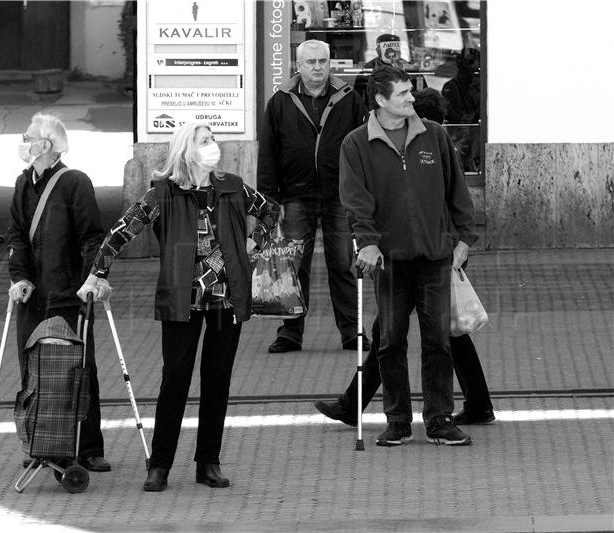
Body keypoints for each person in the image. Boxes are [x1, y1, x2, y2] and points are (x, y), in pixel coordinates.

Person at [79, 122, 279, 491]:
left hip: (225, 300)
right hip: (181, 301)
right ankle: (160, 465)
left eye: (213, 140)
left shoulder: (232, 186)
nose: (213, 146)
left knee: (217, 381)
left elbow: (271, 212)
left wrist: (254, 243)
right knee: (175, 380)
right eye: (205, 141)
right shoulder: (163, 194)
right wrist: (98, 273)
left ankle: (209, 462)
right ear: (187, 149)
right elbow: (122, 230)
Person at [314, 86, 495, 428]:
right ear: (381, 100)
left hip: (436, 247)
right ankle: (472, 403)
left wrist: (462, 239)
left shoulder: (433, 137)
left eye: (411, 94)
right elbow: (358, 199)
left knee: (434, 333)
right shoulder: (359, 143)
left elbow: (455, 191)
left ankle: (360, 405)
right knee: (407, 334)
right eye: (402, 93)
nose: (410, 100)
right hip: (399, 253)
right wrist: (368, 240)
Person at [6, 112, 111, 472]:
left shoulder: (75, 183)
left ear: (47, 145)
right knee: (33, 372)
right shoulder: (23, 183)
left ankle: (89, 446)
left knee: (80, 371)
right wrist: (19, 276)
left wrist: (91, 281)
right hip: (33, 297)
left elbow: (93, 238)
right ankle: (39, 443)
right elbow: (17, 235)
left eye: (29, 135)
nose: (24, 140)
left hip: (70, 295)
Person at [257, 39, 367, 354]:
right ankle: (290, 333)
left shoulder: (349, 99)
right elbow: (269, 152)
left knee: (343, 265)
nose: (317, 67)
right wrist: (268, 201)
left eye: (322, 61)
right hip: (295, 195)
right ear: (299, 65)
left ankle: (352, 332)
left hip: (339, 196)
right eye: (311, 62)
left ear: (330, 63)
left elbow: (363, 149)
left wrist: (363, 192)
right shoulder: (281, 101)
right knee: (292, 266)